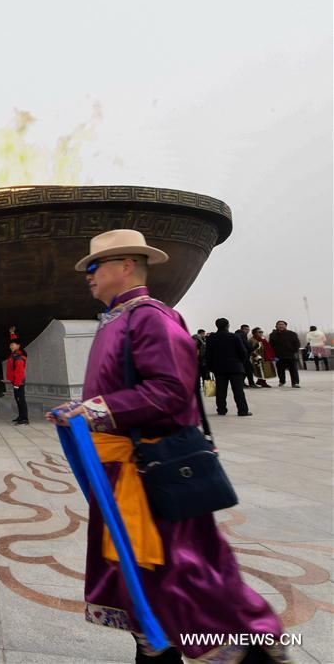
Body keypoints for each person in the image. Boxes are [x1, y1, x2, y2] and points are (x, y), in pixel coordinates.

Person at [46, 229, 286, 663]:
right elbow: (125, 389)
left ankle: (251, 650)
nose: (88, 275)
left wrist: (97, 410)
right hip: (123, 479)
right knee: (144, 579)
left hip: (152, 476)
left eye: (95, 266)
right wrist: (81, 409)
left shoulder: (152, 317)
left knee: (183, 574)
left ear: (126, 266)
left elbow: (171, 392)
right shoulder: (118, 319)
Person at [205, 318, 252, 417]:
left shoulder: (211, 338)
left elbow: (208, 354)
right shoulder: (234, 337)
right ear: (228, 325)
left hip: (219, 368)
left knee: (220, 390)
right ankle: (242, 410)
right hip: (235, 367)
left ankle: (221, 410)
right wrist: (240, 363)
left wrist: (210, 367)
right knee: (238, 390)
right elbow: (243, 352)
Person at [6, 327, 28, 425]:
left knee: (21, 400)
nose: (11, 346)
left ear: (18, 346)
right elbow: (14, 340)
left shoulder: (19, 357)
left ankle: (25, 419)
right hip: (15, 382)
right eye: (10, 345)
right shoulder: (14, 354)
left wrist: (17, 384)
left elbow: (20, 372)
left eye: (13, 345)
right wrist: (12, 333)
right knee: (18, 399)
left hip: (18, 382)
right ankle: (20, 416)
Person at [268, 321, 301, 388]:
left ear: (285, 326)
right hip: (278, 355)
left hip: (290, 355)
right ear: (276, 326)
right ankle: (282, 381)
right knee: (280, 370)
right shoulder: (272, 335)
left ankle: (295, 383)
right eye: (279, 324)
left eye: (282, 324)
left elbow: (297, 344)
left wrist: (294, 351)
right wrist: (273, 355)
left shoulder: (292, 334)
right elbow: (271, 346)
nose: (281, 326)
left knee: (293, 369)